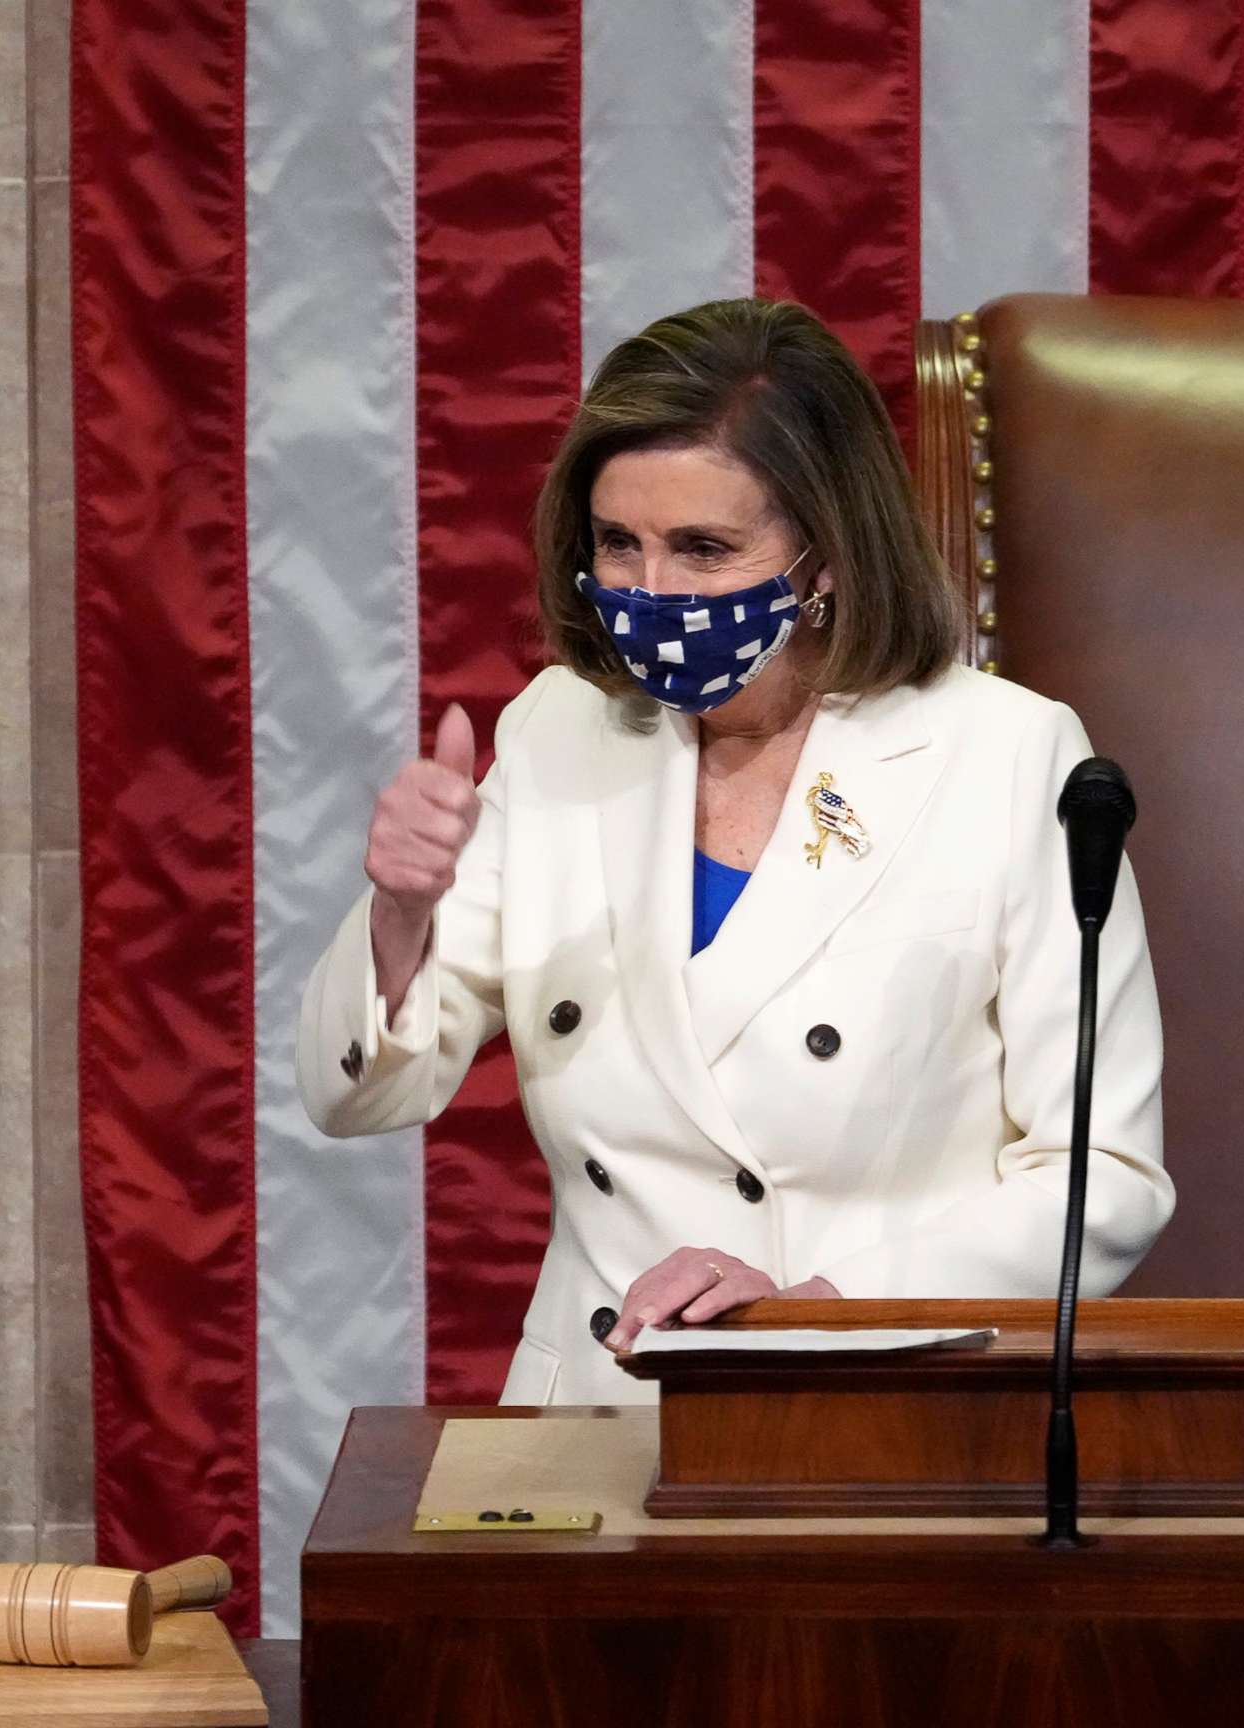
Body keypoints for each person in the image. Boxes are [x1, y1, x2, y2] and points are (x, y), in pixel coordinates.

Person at [298, 298, 1171, 1405]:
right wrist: (399, 915)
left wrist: (824, 1306)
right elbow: (360, 1100)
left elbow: (1104, 1177)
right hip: (598, 1415)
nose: (649, 595)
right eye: (619, 544)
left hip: (881, 1404)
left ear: (830, 551)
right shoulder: (558, 731)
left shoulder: (1008, 756)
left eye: (703, 549)